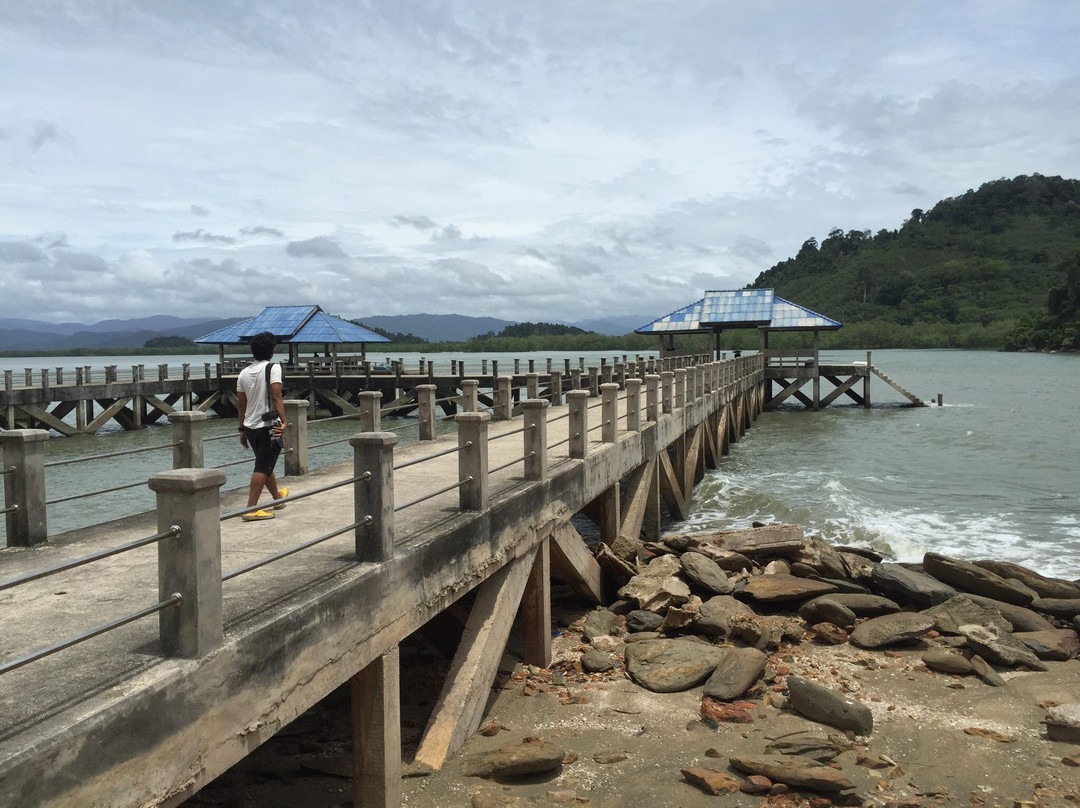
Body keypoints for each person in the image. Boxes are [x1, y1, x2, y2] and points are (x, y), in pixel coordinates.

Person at [236, 331, 288, 521]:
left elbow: (242, 404)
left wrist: (242, 429)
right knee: (262, 465)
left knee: (265, 462)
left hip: (250, 426)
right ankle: (250, 509)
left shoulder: (243, 373)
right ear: (272, 350)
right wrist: (284, 422)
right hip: (267, 425)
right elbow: (276, 396)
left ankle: (277, 498)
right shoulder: (273, 368)